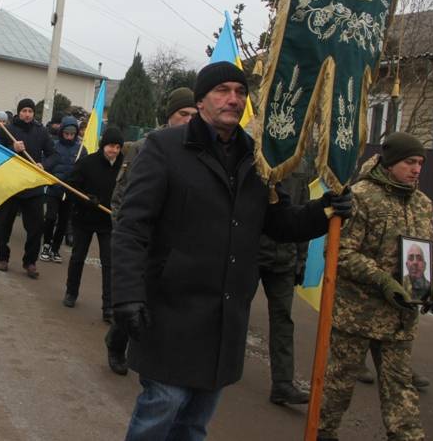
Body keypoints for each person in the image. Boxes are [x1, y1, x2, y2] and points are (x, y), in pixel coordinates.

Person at [111, 63, 352, 440]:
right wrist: (127, 294)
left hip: (225, 315)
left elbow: (278, 222)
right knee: (162, 410)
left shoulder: (256, 161)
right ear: (202, 99)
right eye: (223, 90)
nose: (234, 99)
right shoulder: (164, 149)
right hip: (171, 309)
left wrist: (324, 212)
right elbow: (132, 227)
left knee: (195, 422)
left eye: (240, 92)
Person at [318, 132, 433, 441]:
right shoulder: (360, 196)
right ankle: (322, 433)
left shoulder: (423, 204)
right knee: (337, 385)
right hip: (357, 315)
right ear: (390, 163)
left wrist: (429, 285)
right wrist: (383, 280)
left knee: (401, 390)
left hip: (399, 318)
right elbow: (340, 253)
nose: (416, 169)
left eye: (420, 163)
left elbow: (425, 252)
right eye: (410, 162)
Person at [105, 86, 197, 377]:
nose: (189, 120)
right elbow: (122, 195)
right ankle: (117, 342)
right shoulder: (146, 147)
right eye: (183, 113)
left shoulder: (199, 150)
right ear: (170, 115)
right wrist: (125, 233)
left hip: (176, 243)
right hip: (144, 240)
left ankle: (155, 358)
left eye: (195, 114)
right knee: (136, 298)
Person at [258, 168, 312, 405]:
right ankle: (219, 366)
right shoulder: (255, 168)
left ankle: (282, 384)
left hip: (284, 260)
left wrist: (301, 259)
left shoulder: (298, 178)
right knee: (232, 312)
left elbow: (302, 221)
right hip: (251, 255)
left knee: (283, 319)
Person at [62, 127, 124, 321]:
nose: (113, 150)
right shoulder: (87, 163)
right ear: (102, 145)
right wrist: (86, 199)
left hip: (108, 222)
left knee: (109, 263)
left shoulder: (124, 166)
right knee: (78, 257)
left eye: (117, 147)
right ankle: (71, 292)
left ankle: (108, 306)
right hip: (84, 219)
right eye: (110, 146)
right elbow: (70, 186)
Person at [0, 98, 54, 279]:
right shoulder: (8, 130)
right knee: (3, 224)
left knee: (36, 227)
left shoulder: (41, 132)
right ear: (19, 112)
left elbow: (53, 154)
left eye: (30, 111)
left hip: (32, 186)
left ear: (34, 113)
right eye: (24, 111)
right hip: (11, 185)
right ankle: (2, 257)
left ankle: (30, 262)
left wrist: (44, 164)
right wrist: (12, 147)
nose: (27, 114)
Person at [40, 115, 81, 264]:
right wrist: (50, 178)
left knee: (64, 221)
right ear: (62, 132)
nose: (69, 137)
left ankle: (55, 249)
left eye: (72, 134)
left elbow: (84, 171)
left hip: (70, 192)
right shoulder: (54, 146)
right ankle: (46, 245)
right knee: (50, 218)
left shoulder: (81, 149)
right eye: (66, 134)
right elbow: (47, 164)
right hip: (54, 189)